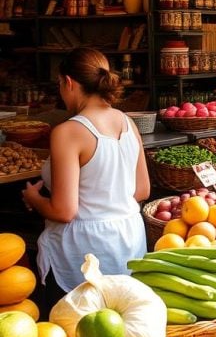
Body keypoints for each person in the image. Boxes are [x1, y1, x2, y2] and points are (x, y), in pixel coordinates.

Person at [23, 48, 148, 305]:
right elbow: (142, 191)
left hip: (84, 253)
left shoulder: (68, 131)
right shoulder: (127, 122)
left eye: (59, 84)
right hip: (128, 241)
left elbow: (64, 211)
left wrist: (33, 197)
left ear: (68, 82)